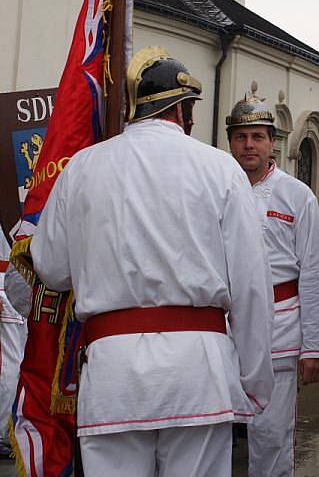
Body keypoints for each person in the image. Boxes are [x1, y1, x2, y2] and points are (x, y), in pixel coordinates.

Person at [30, 46, 274, 477]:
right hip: (199, 373)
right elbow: (252, 287)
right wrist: (254, 382)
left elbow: (49, 267)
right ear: (182, 111)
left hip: (113, 375)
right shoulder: (221, 169)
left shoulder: (83, 167)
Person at [226, 93, 319, 477]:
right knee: (214, 432)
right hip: (222, 327)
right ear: (230, 141)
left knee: (271, 433)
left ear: (272, 141)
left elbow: (316, 273)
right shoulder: (215, 187)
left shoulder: (297, 195)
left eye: (257, 136)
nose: (249, 145)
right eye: (241, 136)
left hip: (281, 326)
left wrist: (316, 346)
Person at [0, 231, 26, 458]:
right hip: (10, 282)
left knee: (14, 364)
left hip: (19, 281)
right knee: (10, 365)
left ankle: (6, 430)